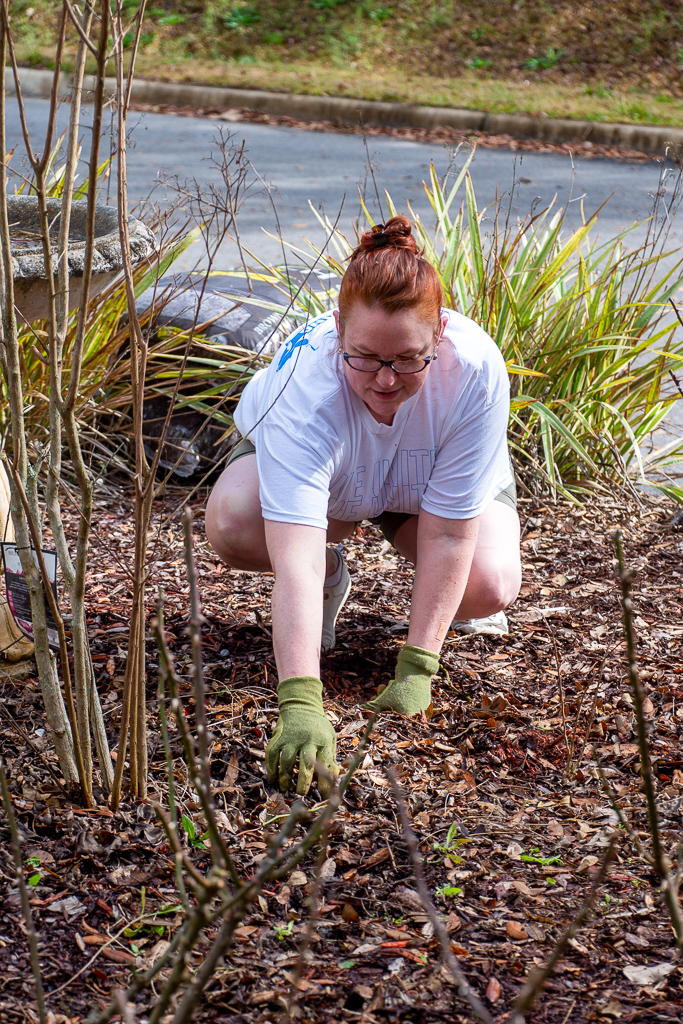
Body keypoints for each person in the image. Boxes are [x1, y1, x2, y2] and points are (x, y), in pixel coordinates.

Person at [205, 216, 521, 797]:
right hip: (336, 487)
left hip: (419, 485)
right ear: (336, 331)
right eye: (364, 356)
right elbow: (293, 557)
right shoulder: (305, 387)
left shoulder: (475, 369)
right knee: (234, 522)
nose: (383, 379)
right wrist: (300, 699)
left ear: (441, 332)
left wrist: (418, 666)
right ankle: (335, 577)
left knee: (487, 584)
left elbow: (450, 535)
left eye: (406, 359)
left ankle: (440, 619)